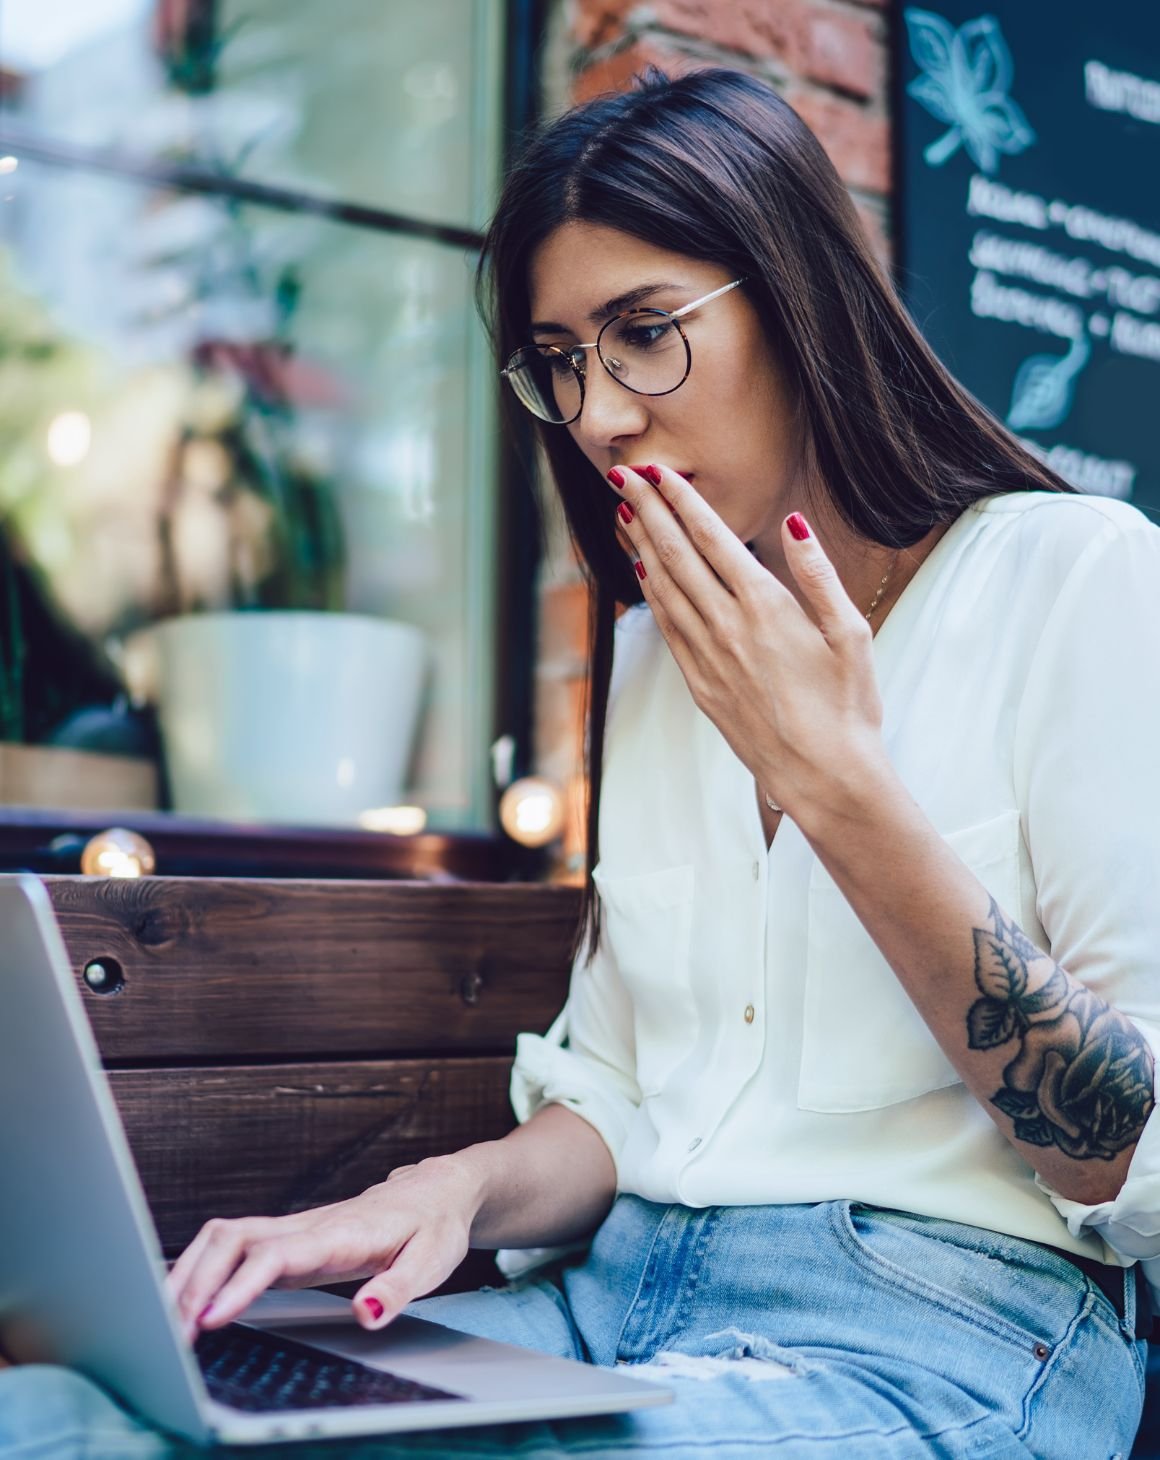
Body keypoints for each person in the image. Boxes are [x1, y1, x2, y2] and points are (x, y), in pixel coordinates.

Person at [4, 66, 1160, 1460]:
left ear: (801, 305)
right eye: (562, 359)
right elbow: (624, 1097)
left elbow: (1129, 1161)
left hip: (937, 1334)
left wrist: (839, 788)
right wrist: (445, 1195)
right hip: (611, 1300)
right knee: (73, 1418)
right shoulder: (662, 652)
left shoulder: (1078, 581)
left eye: (645, 333)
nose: (600, 413)